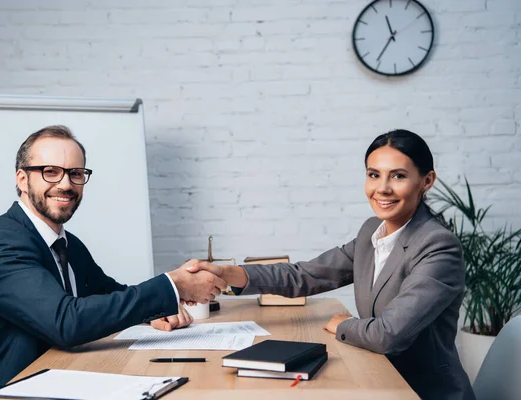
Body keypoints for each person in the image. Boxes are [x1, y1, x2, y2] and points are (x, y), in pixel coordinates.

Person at [190, 129, 475, 400]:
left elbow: (388, 335)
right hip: (378, 379)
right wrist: (228, 273)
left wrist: (346, 324)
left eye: (398, 176)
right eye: (374, 175)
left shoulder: (438, 246)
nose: (383, 189)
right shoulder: (372, 231)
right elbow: (305, 276)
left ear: (426, 181)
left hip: (420, 391)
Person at [0, 125, 226, 400]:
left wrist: (155, 312)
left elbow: (108, 293)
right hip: (14, 394)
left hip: (64, 379)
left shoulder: (67, 243)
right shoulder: (0, 244)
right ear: (22, 179)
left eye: (75, 173)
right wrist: (174, 285)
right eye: (50, 171)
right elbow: (66, 322)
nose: (65, 184)